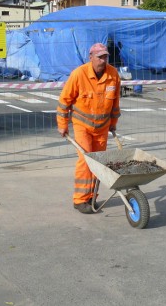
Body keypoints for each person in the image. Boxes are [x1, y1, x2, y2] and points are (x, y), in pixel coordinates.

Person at [57, 43, 121, 214]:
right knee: (86, 161)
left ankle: (91, 197)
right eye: (100, 57)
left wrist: (113, 123)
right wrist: (62, 125)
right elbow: (65, 101)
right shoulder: (79, 74)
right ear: (90, 57)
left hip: (102, 127)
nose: (103, 60)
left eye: (105, 56)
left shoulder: (113, 74)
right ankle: (79, 200)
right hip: (82, 125)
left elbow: (115, 103)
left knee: (98, 162)